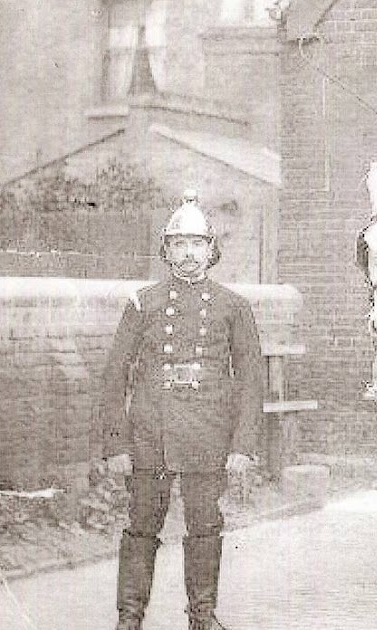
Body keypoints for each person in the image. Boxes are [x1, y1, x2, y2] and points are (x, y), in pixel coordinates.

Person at [93, 191, 264, 630]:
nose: (189, 254)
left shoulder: (233, 307)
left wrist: (242, 445)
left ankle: (202, 617)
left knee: (205, 527)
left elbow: (250, 382)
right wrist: (116, 444)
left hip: (208, 436)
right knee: (141, 527)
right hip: (151, 434)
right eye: (179, 244)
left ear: (212, 249)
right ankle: (129, 619)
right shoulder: (142, 304)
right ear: (166, 251)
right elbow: (115, 377)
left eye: (198, 244)